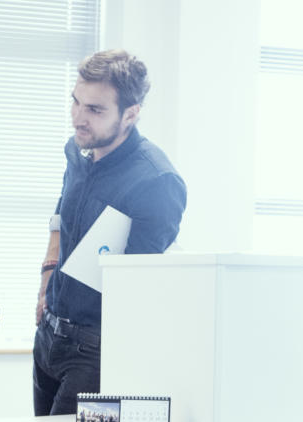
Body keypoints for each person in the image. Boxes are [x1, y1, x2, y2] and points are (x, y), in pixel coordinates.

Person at [33, 49, 187, 416]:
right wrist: (46, 281)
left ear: (131, 114)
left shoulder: (157, 181)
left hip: (96, 349)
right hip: (49, 335)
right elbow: (60, 218)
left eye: (95, 110)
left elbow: (139, 288)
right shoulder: (80, 149)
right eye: (76, 103)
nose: (78, 118)